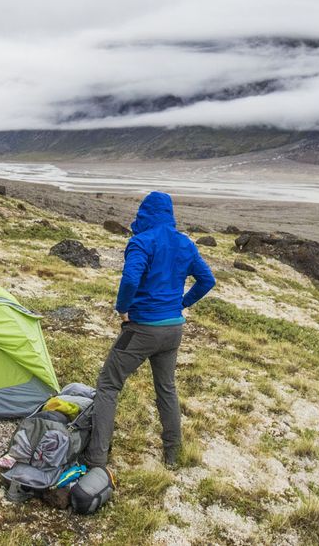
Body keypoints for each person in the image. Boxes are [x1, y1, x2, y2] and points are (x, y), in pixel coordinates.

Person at [85, 191, 216, 470]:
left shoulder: (141, 242)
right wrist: (181, 304)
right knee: (166, 388)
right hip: (173, 330)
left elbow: (131, 278)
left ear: (145, 213)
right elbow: (207, 280)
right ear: (169, 214)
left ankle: (96, 458)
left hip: (142, 328)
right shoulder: (185, 243)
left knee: (108, 385)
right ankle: (172, 455)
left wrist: (123, 308)